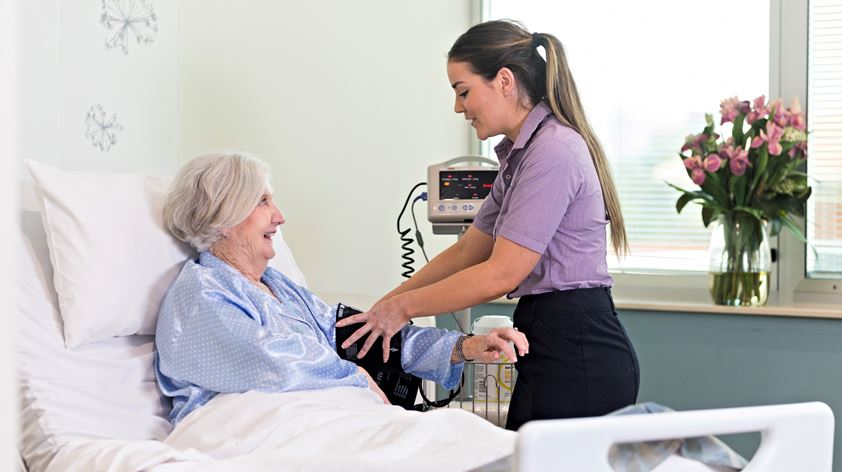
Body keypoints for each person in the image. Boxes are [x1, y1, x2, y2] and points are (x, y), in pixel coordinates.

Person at [336, 20, 639, 430]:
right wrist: (381, 312)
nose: (458, 107)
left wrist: (403, 309)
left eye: (463, 92)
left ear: (504, 81)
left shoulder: (552, 151)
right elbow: (466, 252)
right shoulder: (521, 157)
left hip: (578, 349)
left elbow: (501, 273)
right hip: (553, 339)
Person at [153, 152, 527, 426]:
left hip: (323, 416)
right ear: (223, 218)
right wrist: (355, 377)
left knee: (462, 436)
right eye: (263, 202)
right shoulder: (201, 293)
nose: (279, 216)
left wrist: (464, 347)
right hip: (245, 426)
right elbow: (274, 366)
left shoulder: (278, 286)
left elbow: (361, 333)